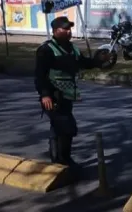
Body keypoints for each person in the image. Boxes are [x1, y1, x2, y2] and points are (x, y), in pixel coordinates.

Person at [34, 16, 105, 170]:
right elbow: (40, 75)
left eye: (69, 29)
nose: (68, 32)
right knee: (67, 127)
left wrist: (99, 61)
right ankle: (63, 160)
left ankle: (58, 160)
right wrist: (45, 94)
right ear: (55, 31)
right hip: (52, 96)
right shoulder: (46, 50)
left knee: (59, 127)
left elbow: (83, 62)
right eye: (64, 29)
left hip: (67, 95)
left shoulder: (72, 48)